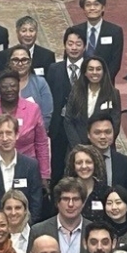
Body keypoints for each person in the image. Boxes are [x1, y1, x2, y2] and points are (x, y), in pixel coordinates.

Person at [0, 69, 51, 182]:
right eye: (4, 87)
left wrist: (44, 174)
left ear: (19, 86)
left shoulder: (33, 109)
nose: (9, 90)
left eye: (13, 86)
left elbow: (41, 144)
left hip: (25, 168)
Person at [45, 27, 88, 183]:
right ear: (64, 45)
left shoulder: (90, 69)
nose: (74, 48)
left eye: (78, 44)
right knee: (57, 168)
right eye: (70, 44)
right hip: (59, 128)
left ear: (85, 46)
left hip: (82, 127)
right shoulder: (54, 69)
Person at [27, 178, 91, 253]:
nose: (70, 204)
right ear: (57, 202)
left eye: (75, 199)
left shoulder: (93, 230)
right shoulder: (39, 231)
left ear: (83, 203)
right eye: (65, 199)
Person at [0, 46, 55, 128]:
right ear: (9, 62)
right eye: (15, 60)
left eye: (24, 60)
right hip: (1, 132)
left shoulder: (40, 83)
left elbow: (46, 115)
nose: (20, 64)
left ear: (30, 62)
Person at [64, 56, 120, 147]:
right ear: (85, 72)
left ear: (104, 72)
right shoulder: (76, 91)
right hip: (78, 145)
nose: (94, 72)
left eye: (98, 69)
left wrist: (103, 142)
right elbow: (68, 120)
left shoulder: (113, 93)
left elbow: (115, 123)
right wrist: (78, 145)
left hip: (103, 145)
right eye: (91, 69)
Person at [73, 0, 123, 80]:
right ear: (83, 9)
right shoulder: (75, 30)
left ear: (103, 8)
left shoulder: (115, 32)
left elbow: (115, 63)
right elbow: (70, 59)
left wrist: (101, 81)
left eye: (96, 4)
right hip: (79, 82)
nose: (92, 8)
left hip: (105, 82)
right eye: (88, 5)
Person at [86, 112, 127, 193]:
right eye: (97, 132)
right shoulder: (80, 161)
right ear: (88, 135)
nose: (103, 137)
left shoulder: (124, 162)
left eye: (107, 132)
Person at [67, 144, 109, 219]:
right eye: (79, 163)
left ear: (95, 164)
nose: (84, 166)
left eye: (88, 162)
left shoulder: (105, 192)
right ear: (73, 166)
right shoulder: (65, 190)